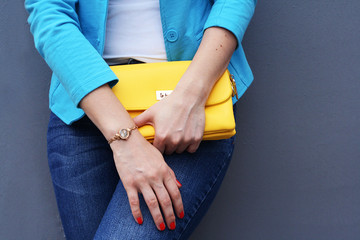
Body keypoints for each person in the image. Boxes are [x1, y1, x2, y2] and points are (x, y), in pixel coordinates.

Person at [25, 0, 256, 239]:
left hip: (185, 109)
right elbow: (48, 11)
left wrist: (189, 98)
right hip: (85, 110)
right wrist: (125, 139)